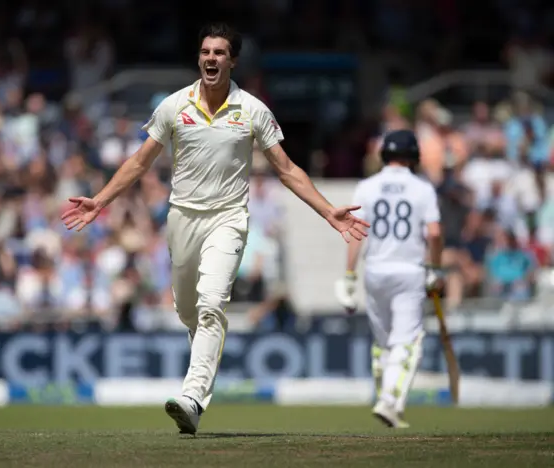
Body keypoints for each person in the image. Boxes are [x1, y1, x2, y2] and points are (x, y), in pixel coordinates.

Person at [61, 23, 370, 435]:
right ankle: (199, 367)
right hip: (182, 219)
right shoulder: (174, 105)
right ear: (199, 58)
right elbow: (139, 162)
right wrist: (100, 200)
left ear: (233, 60)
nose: (211, 58)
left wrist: (328, 211)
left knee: (211, 305)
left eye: (220, 53)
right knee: (188, 310)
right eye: (205, 51)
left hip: (228, 218)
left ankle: (192, 399)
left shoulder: (253, 109)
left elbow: (287, 169)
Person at [335, 129, 443, 429]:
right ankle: (390, 401)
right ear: (414, 156)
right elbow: (433, 232)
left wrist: (349, 275)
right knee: (408, 341)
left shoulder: (367, 186)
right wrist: (436, 269)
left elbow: (356, 232)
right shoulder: (422, 189)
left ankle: (385, 397)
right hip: (408, 271)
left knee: (383, 342)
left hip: (375, 271)